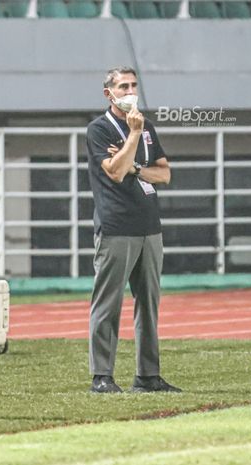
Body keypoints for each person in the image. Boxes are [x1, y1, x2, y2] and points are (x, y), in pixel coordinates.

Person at [85, 66, 180, 393]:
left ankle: (148, 375)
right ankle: (102, 375)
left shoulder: (148, 126)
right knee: (108, 303)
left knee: (149, 303)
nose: (130, 91)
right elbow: (114, 171)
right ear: (108, 92)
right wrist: (134, 137)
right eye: (123, 86)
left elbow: (164, 174)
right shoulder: (100, 130)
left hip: (149, 225)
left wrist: (136, 166)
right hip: (116, 225)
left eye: (133, 85)